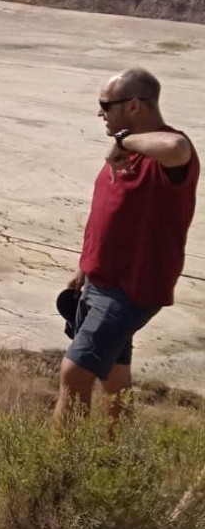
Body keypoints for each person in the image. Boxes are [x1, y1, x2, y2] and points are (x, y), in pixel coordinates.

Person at [54, 67, 198, 424]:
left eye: (106, 104)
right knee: (115, 378)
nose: (100, 112)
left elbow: (179, 147)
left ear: (134, 105)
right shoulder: (125, 153)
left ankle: (59, 472)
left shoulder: (162, 152)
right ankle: (113, 457)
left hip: (131, 288)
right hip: (99, 280)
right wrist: (83, 268)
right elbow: (105, 212)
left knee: (74, 372)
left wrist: (123, 141)